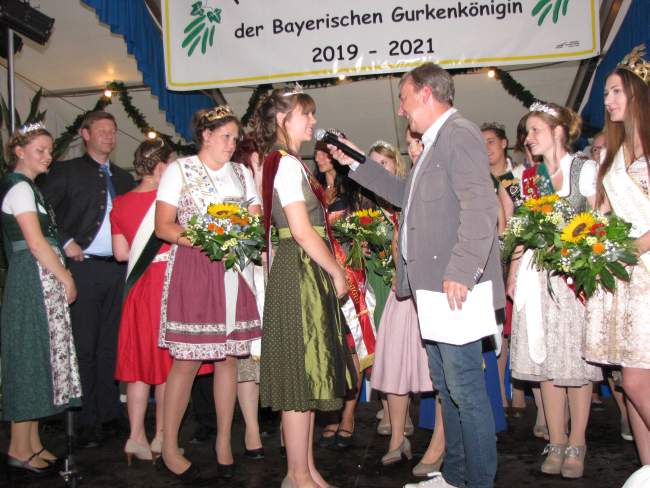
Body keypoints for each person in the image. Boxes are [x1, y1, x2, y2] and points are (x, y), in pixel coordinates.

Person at [330, 62, 504, 488]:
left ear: (426, 93)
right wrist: (356, 161)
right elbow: (404, 195)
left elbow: (481, 208)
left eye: (404, 99)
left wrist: (462, 269)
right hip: (435, 289)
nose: (401, 109)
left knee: (465, 391)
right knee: (448, 387)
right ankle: (456, 476)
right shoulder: (437, 141)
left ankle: (478, 481)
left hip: (455, 287)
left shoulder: (459, 134)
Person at [253, 85, 354, 488]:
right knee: (300, 376)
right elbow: (300, 229)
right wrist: (337, 271)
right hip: (301, 268)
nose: (313, 121)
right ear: (283, 119)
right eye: (305, 113)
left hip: (299, 268)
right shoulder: (287, 164)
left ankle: (306, 470)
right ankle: (296, 475)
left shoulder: (284, 162)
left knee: (308, 374)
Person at [155, 106, 263, 482]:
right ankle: (169, 447)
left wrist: (244, 229)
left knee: (228, 360)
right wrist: (208, 239)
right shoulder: (180, 170)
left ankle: (223, 441)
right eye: (225, 137)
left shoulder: (242, 173)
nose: (232, 144)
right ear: (206, 135)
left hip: (234, 270)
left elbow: (254, 215)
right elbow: (163, 226)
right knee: (186, 361)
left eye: (235, 138)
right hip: (196, 268)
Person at [507, 101, 602, 479]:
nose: (528, 138)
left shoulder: (584, 169)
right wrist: (514, 270)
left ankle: (578, 442)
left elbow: (599, 221)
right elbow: (521, 229)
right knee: (546, 362)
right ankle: (557, 439)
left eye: (536, 130)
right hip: (537, 278)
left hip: (573, 281)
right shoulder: (530, 177)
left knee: (575, 366)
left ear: (558, 131)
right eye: (528, 131)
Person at [39, 111, 134, 448]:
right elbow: (41, 210)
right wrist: (65, 240)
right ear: (86, 134)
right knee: (85, 345)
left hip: (117, 270)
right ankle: (86, 418)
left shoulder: (123, 177)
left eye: (113, 131)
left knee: (111, 344)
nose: (109, 135)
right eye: (102, 130)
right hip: (83, 268)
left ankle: (109, 412)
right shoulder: (66, 172)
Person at [1, 123, 81, 473]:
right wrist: (65, 276)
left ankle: (31, 442)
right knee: (29, 357)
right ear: (19, 151)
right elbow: (35, 242)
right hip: (32, 280)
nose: (48, 156)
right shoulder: (19, 187)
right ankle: (19, 448)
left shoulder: (28, 188)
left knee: (40, 356)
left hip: (39, 279)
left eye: (50, 150)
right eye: (40, 150)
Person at [584, 45, 650, 465]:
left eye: (615, 91)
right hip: (625, 278)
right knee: (631, 381)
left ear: (637, 93)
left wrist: (632, 248)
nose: (607, 101)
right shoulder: (613, 153)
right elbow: (602, 215)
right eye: (605, 93)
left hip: (645, 272)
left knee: (638, 382)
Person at [367, 140, 433, 468]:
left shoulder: (421, 190)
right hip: (400, 290)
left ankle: (440, 445)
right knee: (393, 362)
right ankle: (397, 437)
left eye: (385, 163)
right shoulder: (377, 203)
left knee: (431, 368)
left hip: (428, 293)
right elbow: (398, 245)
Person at [110, 138, 175, 464]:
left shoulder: (120, 203)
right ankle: (161, 435)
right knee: (164, 366)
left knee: (137, 365)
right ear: (161, 167)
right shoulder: (168, 201)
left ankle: (135, 437)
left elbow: (121, 253)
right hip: (164, 285)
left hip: (136, 288)